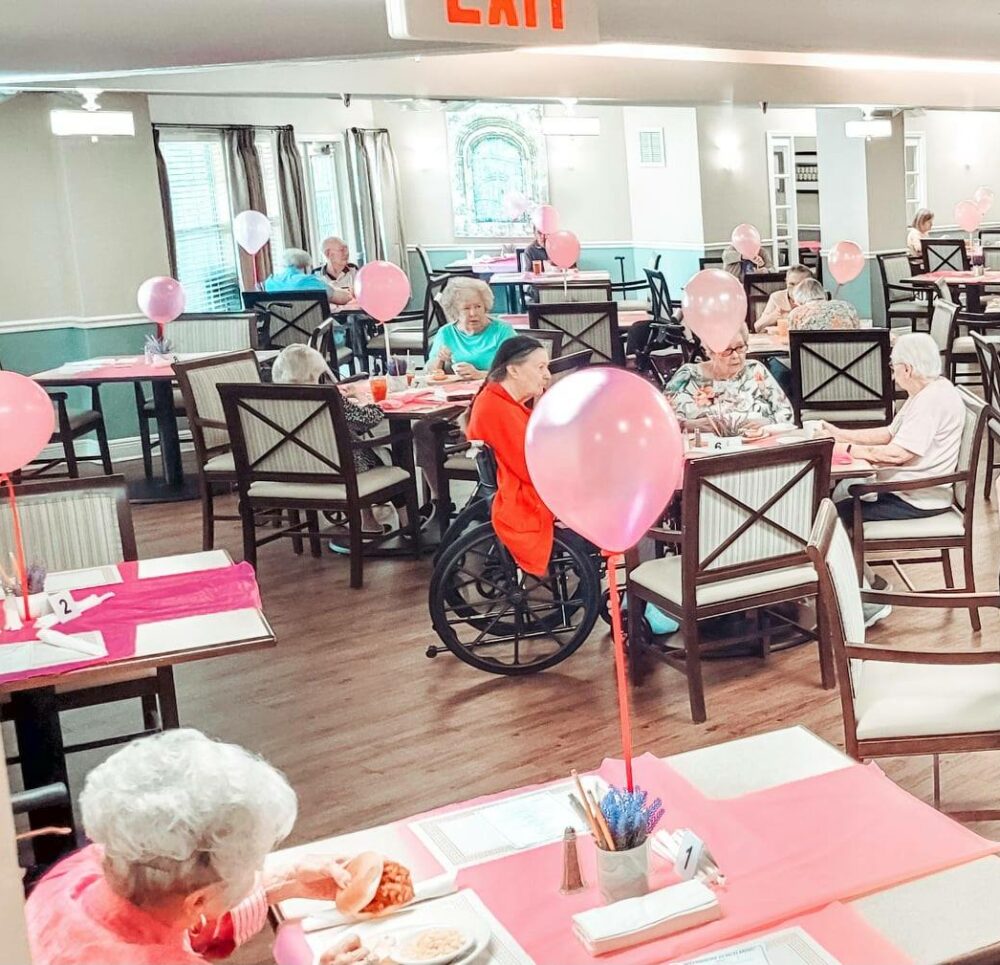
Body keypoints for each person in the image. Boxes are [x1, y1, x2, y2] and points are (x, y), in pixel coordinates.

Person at [26, 729, 371, 965]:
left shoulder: (89, 868)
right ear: (200, 900)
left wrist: (284, 882)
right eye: (253, 867)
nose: (256, 872)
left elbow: (177, 907)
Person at [272, 345, 394, 536]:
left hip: (292, 467)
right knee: (383, 458)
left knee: (357, 453)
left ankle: (368, 521)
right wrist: (363, 398)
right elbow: (368, 420)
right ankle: (409, 527)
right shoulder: (328, 397)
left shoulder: (270, 401)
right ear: (313, 374)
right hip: (336, 467)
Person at [466, 336, 553, 577]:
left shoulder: (500, 401)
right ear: (513, 370)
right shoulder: (496, 409)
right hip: (523, 493)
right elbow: (529, 469)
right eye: (540, 367)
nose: (547, 375)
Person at [664, 325, 793, 427]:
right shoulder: (688, 375)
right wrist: (691, 425)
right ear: (711, 352)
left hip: (756, 448)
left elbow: (786, 413)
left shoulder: (755, 370)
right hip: (706, 452)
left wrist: (767, 423)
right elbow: (661, 419)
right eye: (727, 350)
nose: (736, 356)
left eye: (740, 348)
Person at [427, 277, 516, 381]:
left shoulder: (502, 330)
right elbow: (430, 374)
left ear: (485, 306)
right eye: (466, 308)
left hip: (495, 390)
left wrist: (480, 375)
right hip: (454, 393)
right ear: (455, 311)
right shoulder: (446, 333)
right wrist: (440, 359)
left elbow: (517, 371)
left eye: (478, 307)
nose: (473, 313)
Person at [753, 264, 813, 333]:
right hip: (779, 341)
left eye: (801, 285)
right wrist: (773, 316)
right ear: (786, 282)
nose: (796, 288)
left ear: (811, 284)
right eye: (792, 284)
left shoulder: (816, 298)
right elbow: (757, 327)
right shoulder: (777, 297)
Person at [786, 278, 860, 332]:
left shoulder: (795, 314)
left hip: (810, 353)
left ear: (799, 300)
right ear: (823, 293)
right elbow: (858, 334)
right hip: (848, 353)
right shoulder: (847, 307)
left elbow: (792, 341)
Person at [263, 248, 331, 295]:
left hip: (279, 315)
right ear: (305, 266)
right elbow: (338, 297)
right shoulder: (310, 280)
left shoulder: (269, 282)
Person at [315, 236, 357, 307]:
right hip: (327, 317)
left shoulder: (355, 271)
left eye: (347, 249)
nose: (346, 253)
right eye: (342, 250)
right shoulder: (316, 275)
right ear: (328, 254)